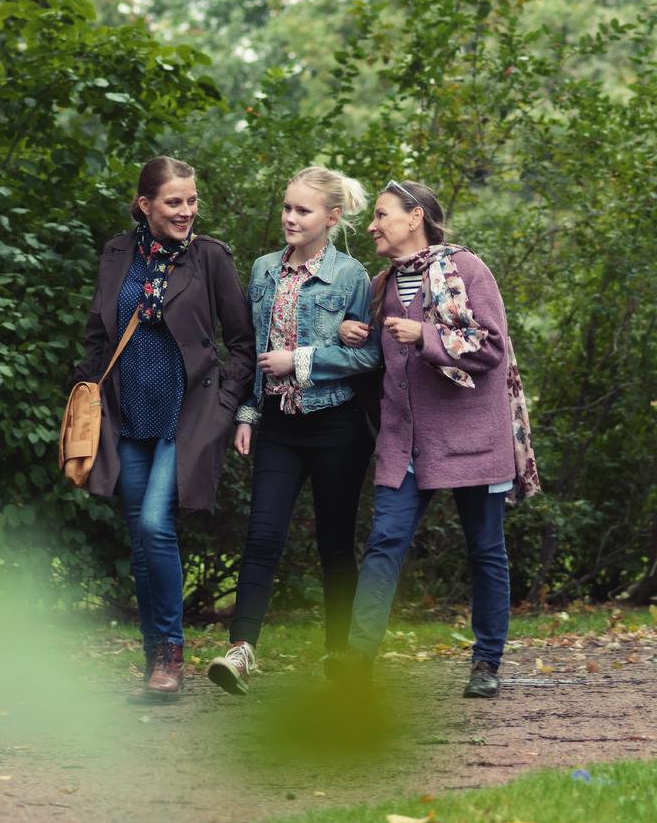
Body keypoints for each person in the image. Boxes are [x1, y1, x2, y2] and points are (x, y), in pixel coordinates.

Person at [332, 179, 539, 698]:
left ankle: (486, 664)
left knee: (485, 549)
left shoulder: (468, 270)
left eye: (381, 215)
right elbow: (378, 357)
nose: (373, 225)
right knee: (384, 543)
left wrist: (425, 334)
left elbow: (491, 344)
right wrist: (352, 333)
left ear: (415, 217)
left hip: (474, 438)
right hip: (405, 442)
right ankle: (358, 659)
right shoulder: (381, 285)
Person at [71, 156, 254, 701]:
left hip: (187, 413)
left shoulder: (211, 258)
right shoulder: (117, 253)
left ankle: (171, 654)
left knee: (155, 524)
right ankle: (156, 660)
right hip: (125, 415)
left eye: (192, 201)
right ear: (145, 204)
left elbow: (242, 343)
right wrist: (84, 394)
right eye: (174, 202)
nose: (186, 211)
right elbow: (98, 334)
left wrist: (224, 402)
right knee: (141, 537)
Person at [206, 166, 381, 696]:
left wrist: (301, 360)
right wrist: (248, 415)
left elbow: (369, 354)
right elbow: (256, 348)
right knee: (262, 535)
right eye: (286, 208)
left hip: (338, 426)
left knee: (334, 542)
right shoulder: (262, 270)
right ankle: (241, 652)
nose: (289, 218)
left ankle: (340, 655)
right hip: (279, 425)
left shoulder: (352, 276)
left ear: (331, 218)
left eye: (302, 211)